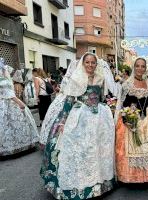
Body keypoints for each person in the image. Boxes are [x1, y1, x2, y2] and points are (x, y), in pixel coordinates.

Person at [40, 52, 115, 199]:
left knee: (99, 149)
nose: (90, 65)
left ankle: (99, 183)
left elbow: (101, 98)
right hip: (81, 116)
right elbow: (68, 101)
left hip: (99, 116)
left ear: (96, 64)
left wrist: (108, 107)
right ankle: (80, 184)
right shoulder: (76, 79)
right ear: (83, 63)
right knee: (80, 150)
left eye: (93, 63)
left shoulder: (100, 78)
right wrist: (62, 121)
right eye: (87, 62)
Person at [115, 57, 148, 183]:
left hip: (147, 119)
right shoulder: (126, 85)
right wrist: (126, 119)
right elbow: (123, 105)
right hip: (131, 118)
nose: (140, 69)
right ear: (134, 67)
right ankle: (131, 177)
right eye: (137, 66)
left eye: (143, 66)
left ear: (145, 69)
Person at [0, 58, 39, 156]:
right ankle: (13, 147)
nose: (7, 70)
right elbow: (8, 93)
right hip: (8, 103)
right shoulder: (3, 80)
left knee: (8, 125)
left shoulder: (4, 77)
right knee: (10, 124)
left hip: (6, 102)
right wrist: (20, 103)